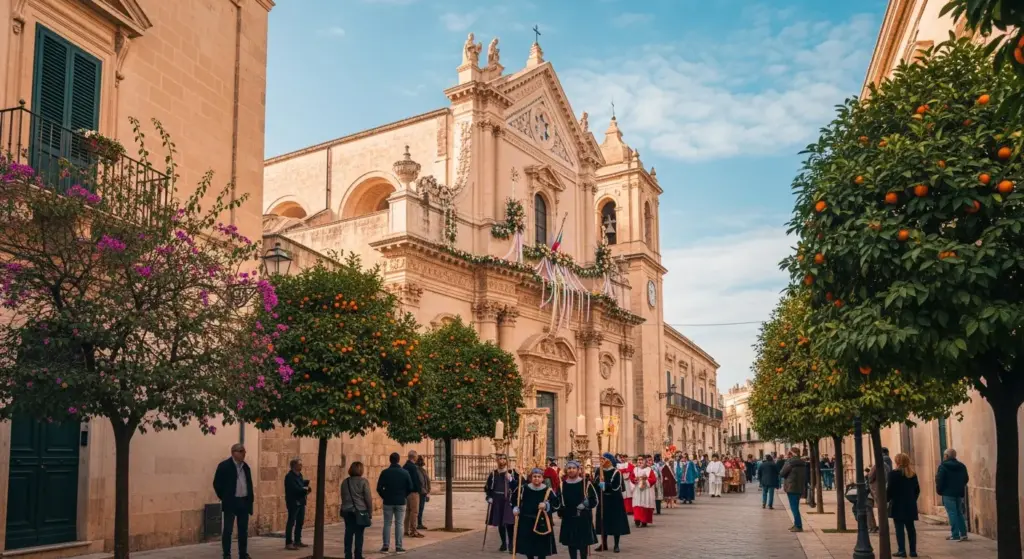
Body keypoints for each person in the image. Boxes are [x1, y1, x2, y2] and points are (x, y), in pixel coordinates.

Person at [213, 443, 254, 559]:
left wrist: (250, 500)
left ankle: (243, 554)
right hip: (231, 502)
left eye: (244, 451)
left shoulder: (246, 467)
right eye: (241, 451)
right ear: (233, 453)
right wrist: (225, 497)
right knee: (228, 530)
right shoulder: (224, 466)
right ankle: (227, 554)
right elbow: (217, 484)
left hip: (243, 501)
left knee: (243, 530)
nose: (243, 454)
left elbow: (249, 484)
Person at [511, 468, 559, 559]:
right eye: (534, 476)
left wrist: (546, 505)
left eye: (539, 476)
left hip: (542, 523)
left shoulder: (548, 490)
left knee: (541, 549)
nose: (536, 478)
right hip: (526, 522)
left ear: (542, 478)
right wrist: (515, 508)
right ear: (531, 478)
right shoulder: (523, 488)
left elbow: (556, 504)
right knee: (529, 549)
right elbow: (514, 500)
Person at [557, 460, 598, 559]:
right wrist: (561, 511)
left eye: (573, 468)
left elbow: (594, 499)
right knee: (571, 544)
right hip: (569, 517)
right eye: (569, 468)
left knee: (583, 544)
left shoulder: (586, 483)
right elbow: (559, 501)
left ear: (578, 470)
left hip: (583, 517)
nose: (571, 470)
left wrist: (586, 504)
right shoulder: (563, 485)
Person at [377, 452, 413, 554]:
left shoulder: (385, 472)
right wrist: (404, 495)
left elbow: (379, 488)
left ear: (390, 460)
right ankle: (398, 546)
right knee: (399, 524)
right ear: (398, 460)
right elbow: (410, 487)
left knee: (387, 523)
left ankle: (385, 546)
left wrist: (385, 496)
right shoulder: (405, 473)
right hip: (400, 501)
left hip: (388, 501)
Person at [594, 453, 630, 553]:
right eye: (601, 459)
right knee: (603, 522)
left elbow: (616, 486)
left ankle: (616, 545)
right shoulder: (599, 471)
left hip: (615, 501)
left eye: (603, 459)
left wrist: (604, 484)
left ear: (609, 461)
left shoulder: (616, 472)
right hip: (603, 500)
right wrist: (596, 482)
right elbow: (595, 484)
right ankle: (604, 543)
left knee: (615, 522)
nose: (601, 461)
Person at [485, 453, 520, 552]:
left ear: (507, 461)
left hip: (508, 500)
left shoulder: (512, 473)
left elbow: (518, 486)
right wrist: (489, 497)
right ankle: (504, 543)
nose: (502, 461)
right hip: (497, 500)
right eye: (500, 459)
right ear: (497, 461)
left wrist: (511, 479)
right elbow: (488, 487)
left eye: (504, 459)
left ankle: (511, 544)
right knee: (500, 523)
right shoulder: (493, 474)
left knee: (509, 522)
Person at [888, 453, 921, 558]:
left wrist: (887, 500)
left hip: (897, 505)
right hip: (910, 505)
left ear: (897, 462)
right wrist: (912, 500)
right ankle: (913, 551)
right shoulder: (912, 474)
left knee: (899, 529)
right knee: (911, 529)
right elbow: (917, 490)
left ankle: (902, 550)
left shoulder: (893, 474)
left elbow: (890, 490)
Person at [936, 448, 970, 542]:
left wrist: (940, 490)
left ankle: (955, 534)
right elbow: (966, 479)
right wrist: (960, 486)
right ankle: (963, 534)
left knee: (952, 513)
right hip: (959, 493)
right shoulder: (961, 466)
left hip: (947, 493)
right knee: (959, 513)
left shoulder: (943, 466)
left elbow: (940, 480)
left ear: (946, 456)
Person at [341, 461, 373, 559]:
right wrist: (370, 511)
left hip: (347, 510)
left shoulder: (345, 482)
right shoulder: (363, 482)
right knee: (359, 534)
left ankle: (348, 554)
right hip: (360, 510)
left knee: (348, 532)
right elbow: (368, 498)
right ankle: (358, 555)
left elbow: (343, 496)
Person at [283, 457, 311, 550]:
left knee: (300, 522)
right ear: (294, 465)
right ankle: (288, 543)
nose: (301, 465)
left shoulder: (299, 475)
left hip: (301, 501)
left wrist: (305, 486)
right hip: (293, 502)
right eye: (299, 464)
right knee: (291, 522)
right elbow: (294, 489)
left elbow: (301, 485)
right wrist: (305, 490)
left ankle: (297, 541)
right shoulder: (289, 477)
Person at [780, 447, 809, 532]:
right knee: (795, 506)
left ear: (791, 453)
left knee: (794, 507)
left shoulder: (790, 462)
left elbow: (782, 473)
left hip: (791, 487)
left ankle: (798, 526)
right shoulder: (803, 463)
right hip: (800, 486)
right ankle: (796, 524)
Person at [402, 450, 424, 539]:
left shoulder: (405, 466)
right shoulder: (413, 467)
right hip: (413, 492)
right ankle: (413, 531)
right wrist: (419, 490)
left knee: (408, 511)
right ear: (414, 457)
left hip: (407, 493)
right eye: (416, 456)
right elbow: (416, 480)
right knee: (414, 512)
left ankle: (406, 530)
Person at [631, 456, 656, 527]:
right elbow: (631, 478)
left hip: (646, 490)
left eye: (641, 460)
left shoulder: (649, 470)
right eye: (638, 460)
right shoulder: (635, 469)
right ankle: (637, 520)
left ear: (645, 461)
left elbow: (653, 480)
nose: (640, 461)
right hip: (637, 490)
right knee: (637, 504)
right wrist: (634, 480)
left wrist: (646, 480)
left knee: (645, 504)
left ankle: (644, 521)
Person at [415, 455, 430, 531]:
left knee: (421, 508)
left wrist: (427, 491)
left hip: (423, 492)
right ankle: (418, 523)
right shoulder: (417, 470)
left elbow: (427, 481)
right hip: (421, 492)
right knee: (419, 508)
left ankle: (419, 523)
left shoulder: (423, 470)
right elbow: (422, 482)